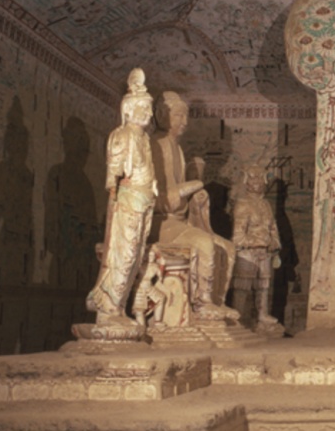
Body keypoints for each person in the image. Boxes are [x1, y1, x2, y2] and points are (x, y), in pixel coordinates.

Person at [150, 91, 235, 317]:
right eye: (179, 115)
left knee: (227, 248)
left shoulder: (175, 147)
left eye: (185, 116)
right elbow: (159, 200)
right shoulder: (155, 144)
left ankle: (217, 302)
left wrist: (196, 195)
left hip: (178, 222)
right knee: (204, 243)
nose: (185, 122)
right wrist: (192, 185)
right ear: (161, 115)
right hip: (160, 223)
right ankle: (202, 302)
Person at [85, 69, 158, 325]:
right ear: (128, 110)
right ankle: (108, 308)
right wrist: (115, 194)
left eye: (150, 109)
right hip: (128, 202)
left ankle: (119, 308)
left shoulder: (145, 139)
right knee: (123, 255)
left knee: (136, 255)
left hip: (145, 199)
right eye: (144, 108)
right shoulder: (122, 135)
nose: (149, 114)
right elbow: (113, 176)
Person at [231, 165, 282, 330]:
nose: (257, 182)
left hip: (264, 251)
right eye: (253, 178)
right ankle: (238, 316)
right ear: (246, 182)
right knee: (242, 285)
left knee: (263, 285)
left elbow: (273, 227)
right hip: (247, 252)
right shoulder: (242, 204)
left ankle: (262, 314)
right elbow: (238, 235)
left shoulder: (265, 204)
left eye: (260, 178)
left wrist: (274, 241)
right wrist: (255, 241)